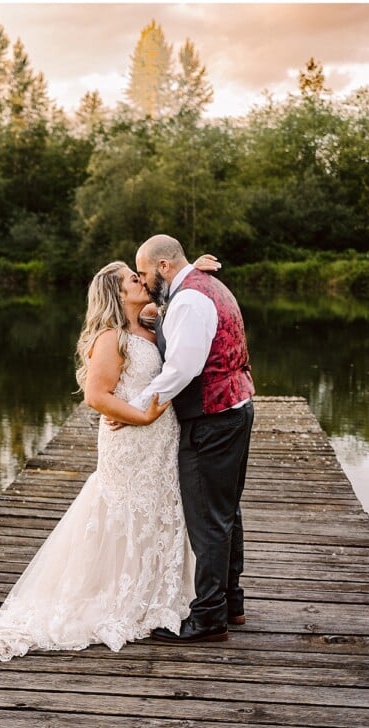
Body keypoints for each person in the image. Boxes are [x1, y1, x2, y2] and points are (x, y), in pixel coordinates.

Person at [0, 257, 218, 661]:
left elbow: (174, 289)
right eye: (133, 278)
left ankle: (159, 590)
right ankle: (121, 594)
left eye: (139, 274)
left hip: (161, 440)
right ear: (117, 292)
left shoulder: (147, 323)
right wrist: (143, 415)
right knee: (128, 512)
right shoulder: (110, 338)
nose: (141, 280)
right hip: (132, 439)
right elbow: (97, 397)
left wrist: (190, 267)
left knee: (159, 509)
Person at [128, 234, 255, 644]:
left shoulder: (187, 299)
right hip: (233, 410)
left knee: (208, 520)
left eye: (146, 273)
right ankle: (231, 603)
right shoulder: (202, 287)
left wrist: (139, 405)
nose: (145, 282)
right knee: (225, 512)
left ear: (165, 266)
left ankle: (208, 619)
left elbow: (183, 368)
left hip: (212, 420)